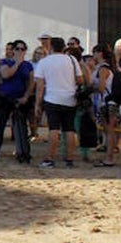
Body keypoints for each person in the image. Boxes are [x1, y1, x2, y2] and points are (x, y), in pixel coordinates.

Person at [33, 35, 82, 169]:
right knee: (69, 129)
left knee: (53, 129)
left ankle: (50, 158)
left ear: (51, 47)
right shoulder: (71, 60)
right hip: (70, 98)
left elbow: (40, 86)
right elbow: (80, 79)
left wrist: (38, 104)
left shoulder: (44, 62)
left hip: (52, 98)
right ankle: (69, 159)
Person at [0, 39, 34, 163]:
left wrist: (26, 96)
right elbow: (6, 75)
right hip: (5, 98)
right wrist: (17, 63)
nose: (20, 51)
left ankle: (23, 152)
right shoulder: (5, 62)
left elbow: (31, 82)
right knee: (0, 124)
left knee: (21, 126)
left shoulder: (28, 65)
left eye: (22, 49)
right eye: (17, 49)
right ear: (13, 51)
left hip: (20, 98)